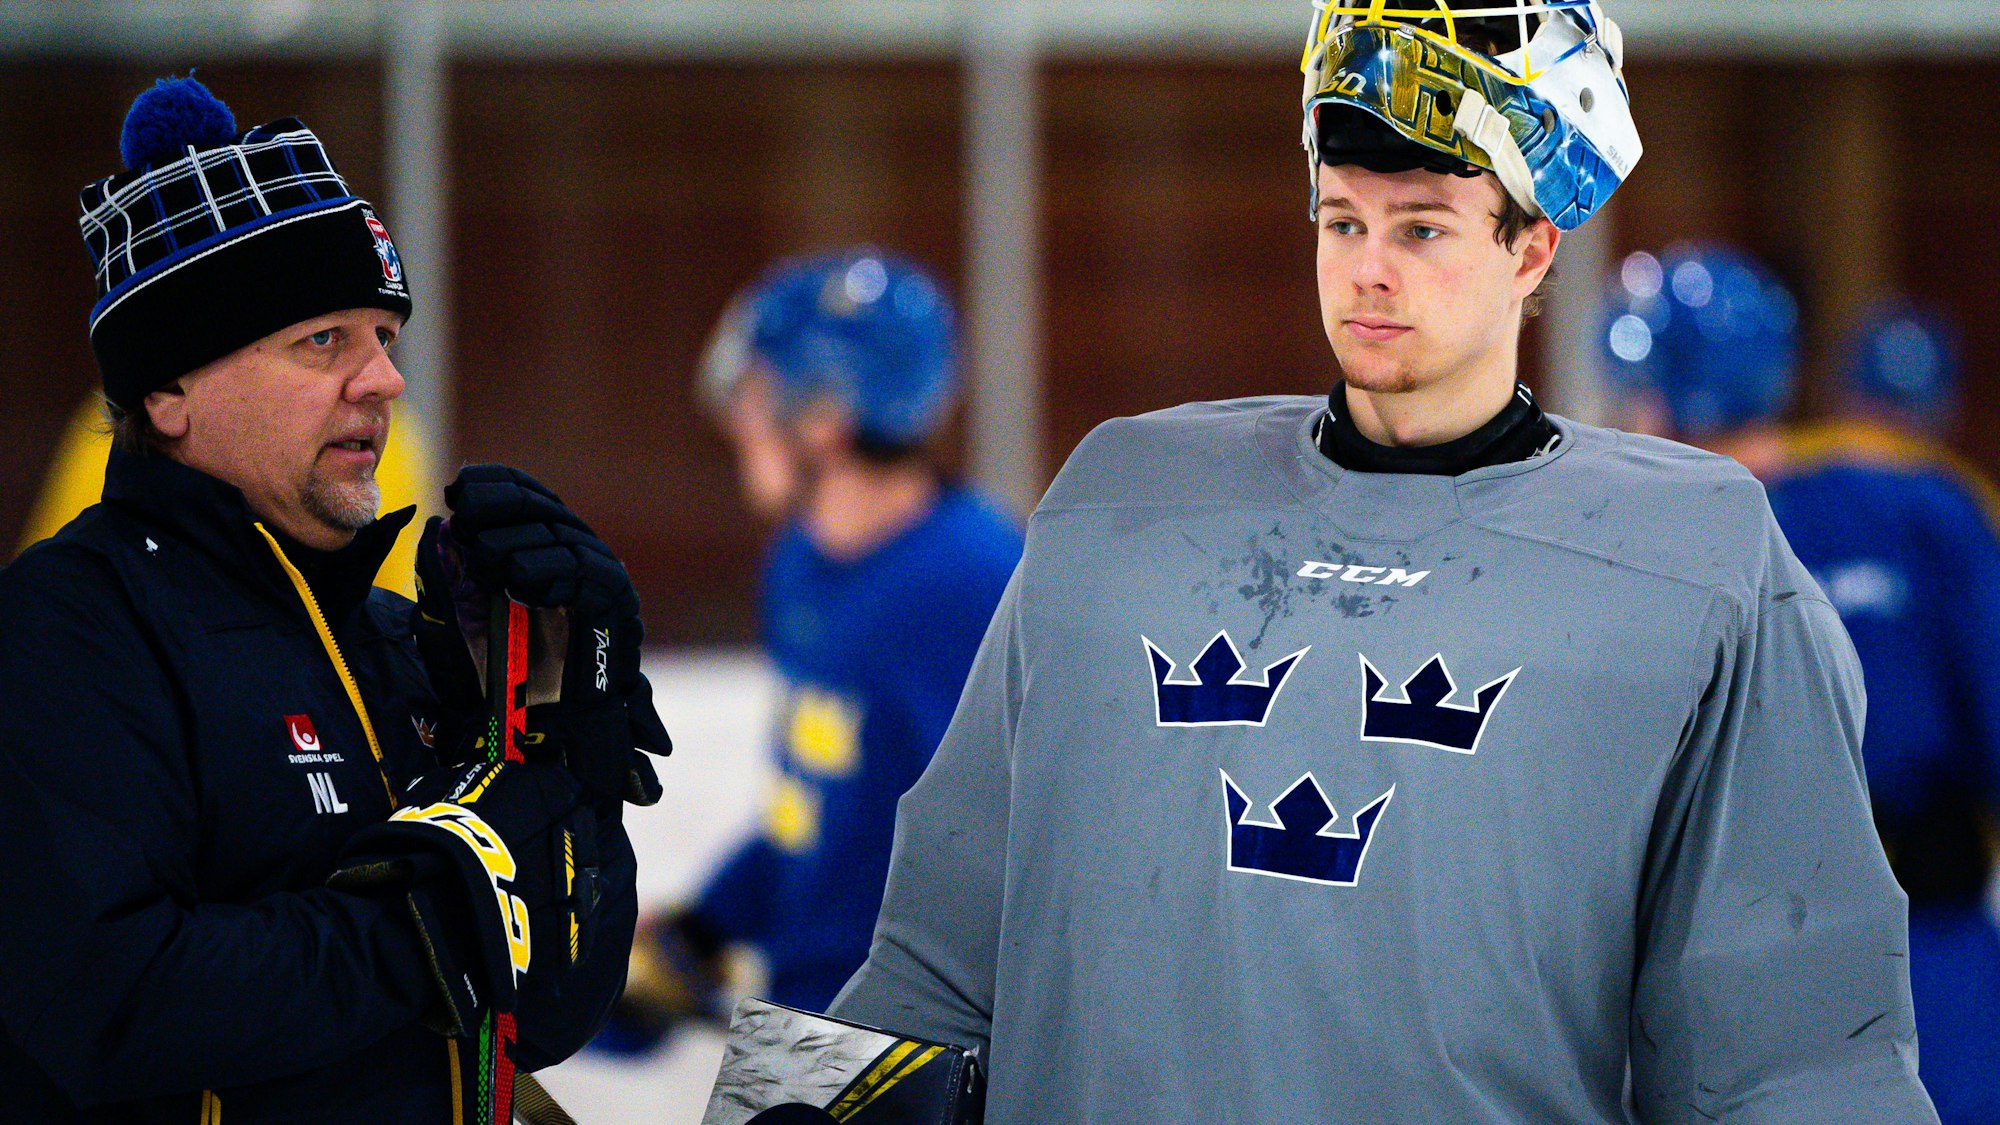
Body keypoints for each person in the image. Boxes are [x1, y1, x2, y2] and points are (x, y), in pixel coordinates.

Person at [827, 3, 1939, 1121]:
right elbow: (925, 969)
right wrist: (782, 1101)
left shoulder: (1700, 558)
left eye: (1421, 230)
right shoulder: (1116, 503)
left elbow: (1796, 1058)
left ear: (1531, 249)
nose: (1367, 270)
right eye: (1341, 220)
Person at [0, 78, 671, 1123]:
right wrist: (440, 911)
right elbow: (111, 1003)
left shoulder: (399, 639)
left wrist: (556, 738)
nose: (382, 379)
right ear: (169, 391)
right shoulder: (66, 629)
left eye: (383, 336)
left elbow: (545, 1014)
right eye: (325, 340)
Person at [1608, 261, 2000, 1123]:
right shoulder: (1928, 509)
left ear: (1660, 401)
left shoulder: (1642, 547)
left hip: (1738, 994)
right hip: (1924, 969)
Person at [608, 251, 1021, 1042]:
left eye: (756, 393)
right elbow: (826, 822)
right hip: (810, 1011)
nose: (738, 418)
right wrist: (705, 929)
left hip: (893, 1035)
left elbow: (991, 864)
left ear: (824, 415)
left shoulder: (970, 583)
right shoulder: (800, 561)